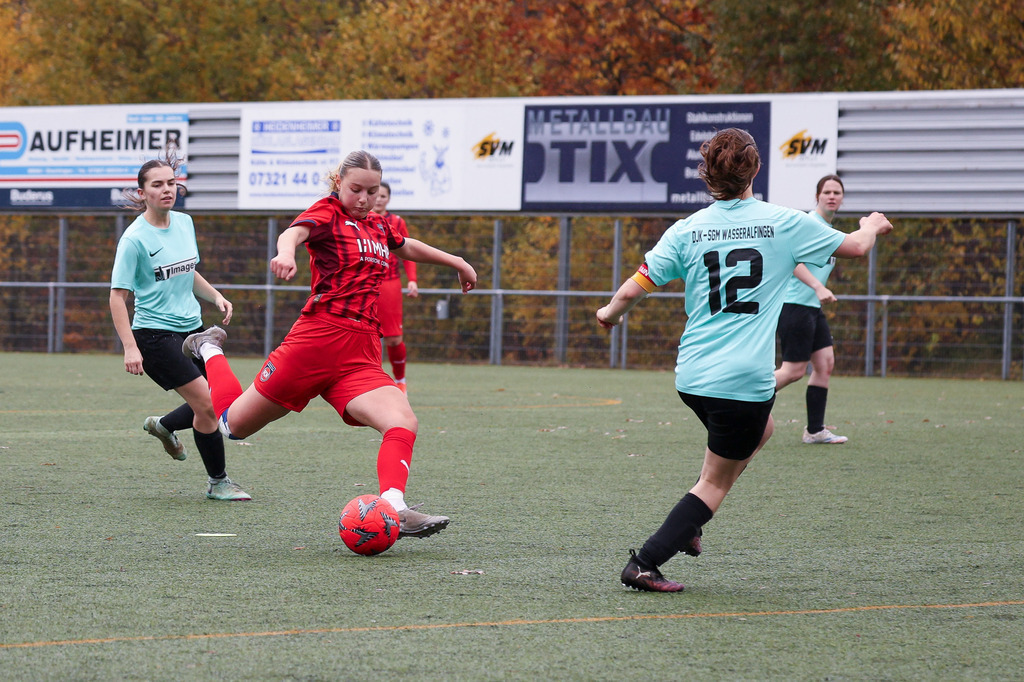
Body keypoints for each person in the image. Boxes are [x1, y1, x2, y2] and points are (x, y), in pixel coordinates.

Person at [596, 128, 892, 592]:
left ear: (707, 176)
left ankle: (689, 522)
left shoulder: (687, 228)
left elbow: (633, 288)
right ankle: (647, 561)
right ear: (755, 169)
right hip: (741, 383)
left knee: (764, 430)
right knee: (714, 484)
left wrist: (608, 314)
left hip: (692, 377)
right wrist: (872, 226)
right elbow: (855, 246)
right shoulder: (782, 222)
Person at [181, 150, 477, 538]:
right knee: (232, 427)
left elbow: (405, 245)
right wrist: (285, 253)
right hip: (316, 342)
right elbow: (294, 233)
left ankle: (395, 506)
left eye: (371, 191)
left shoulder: (378, 225)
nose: (364, 198)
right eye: (356, 189)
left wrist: (457, 261)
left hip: (361, 351)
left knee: (402, 420)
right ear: (339, 183)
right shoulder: (326, 212)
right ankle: (210, 348)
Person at [109, 151, 251, 501]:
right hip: (154, 336)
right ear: (142, 192)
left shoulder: (185, 223)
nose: (166, 190)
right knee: (206, 404)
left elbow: (186, 272)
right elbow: (117, 297)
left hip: (194, 331)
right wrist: (130, 347)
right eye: (157, 185)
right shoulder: (134, 239)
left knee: (216, 401)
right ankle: (218, 483)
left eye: (171, 183)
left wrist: (215, 296)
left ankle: (165, 425)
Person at [774, 174, 849, 444]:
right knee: (793, 371)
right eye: (827, 191)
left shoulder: (829, 230)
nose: (832, 196)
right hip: (794, 306)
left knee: (825, 364)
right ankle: (742, 404)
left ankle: (814, 431)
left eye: (837, 192)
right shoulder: (809, 224)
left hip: (811, 308)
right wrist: (818, 286)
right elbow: (792, 262)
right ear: (817, 196)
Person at [372, 181, 418, 393]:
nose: (379, 199)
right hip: (366, 282)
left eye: (383, 196)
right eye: (376, 195)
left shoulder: (397, 222)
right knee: (366, 334)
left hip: (389, 283)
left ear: (388, 199)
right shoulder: (359, 220)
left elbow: (408, 252)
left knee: (393, 338)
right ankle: (371, 381)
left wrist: (412, 279)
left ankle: (400, 381)